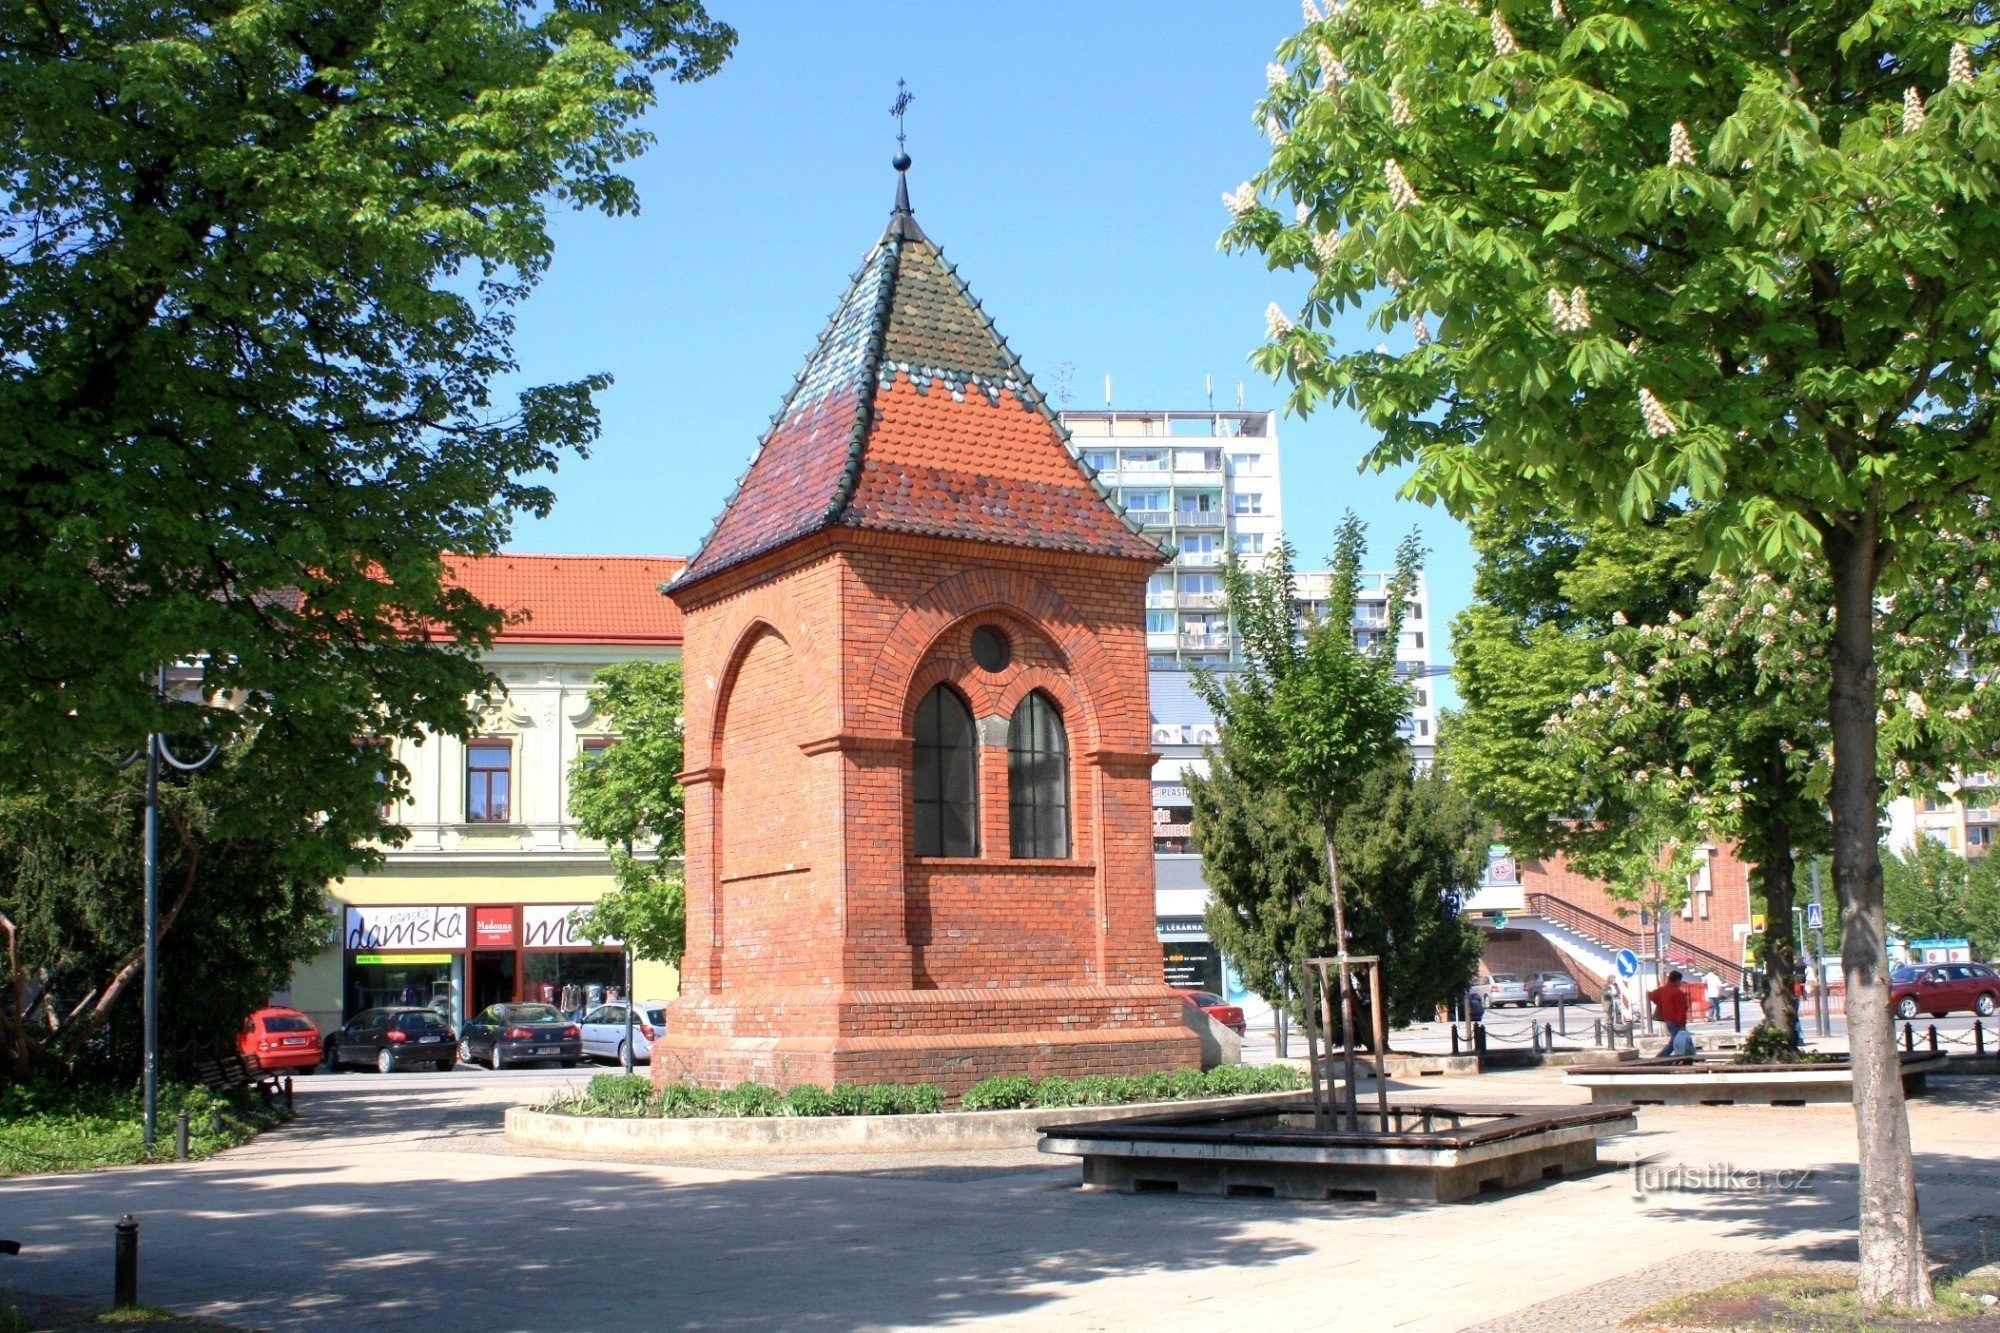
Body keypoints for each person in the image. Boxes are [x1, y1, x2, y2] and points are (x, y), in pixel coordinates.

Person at [1647, 969, 1693, 1057]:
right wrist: (1682, 1024)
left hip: (1667, 1019)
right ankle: (1661, 1058)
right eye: (1680, 981)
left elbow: (1651, 995)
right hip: (1676, 1021)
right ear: (1677, 980)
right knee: (1678, 1041)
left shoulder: (1662, 990)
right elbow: (1681, 1011)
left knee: (1678, 1039)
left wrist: (1660, 1003)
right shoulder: (1678, 993)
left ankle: (1687, 1057)